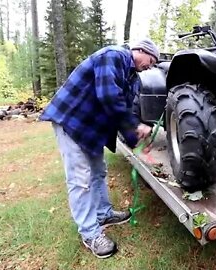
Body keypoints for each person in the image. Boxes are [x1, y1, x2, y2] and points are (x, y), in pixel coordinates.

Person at [39, 38, 160, 259]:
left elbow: (121, 112)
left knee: (98, 172)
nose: (150, 67)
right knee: (81, 180)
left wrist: (137, 141)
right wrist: (136, 125)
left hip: (91, 129)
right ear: (140, 51)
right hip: (71, 121)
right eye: (150, 61)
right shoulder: (112, 56)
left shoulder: (133, 79)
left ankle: (103, 214)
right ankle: (90, 233)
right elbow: (109, 97)